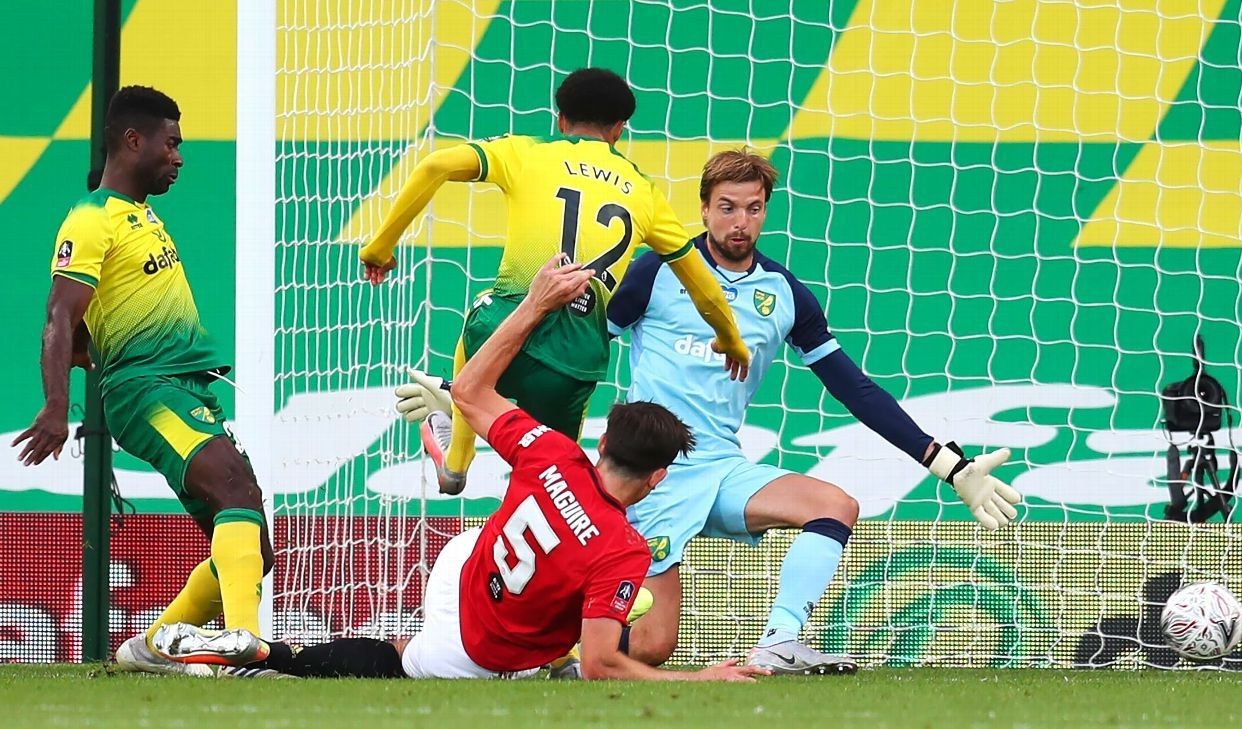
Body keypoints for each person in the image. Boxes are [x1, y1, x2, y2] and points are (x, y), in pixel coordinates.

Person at [157, 256, 768, 682]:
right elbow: (606, 663)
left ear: (603, 439)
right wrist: (700, 673)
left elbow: (472, 387)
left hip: (460, 566)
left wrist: (534, 302)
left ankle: (538, 654)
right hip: (478, 643)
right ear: (659, 478)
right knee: (400, 662)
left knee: (498, 591)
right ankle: (268, 654)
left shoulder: (553, 451)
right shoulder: (623, 551)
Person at [606, 150, 1023, 674]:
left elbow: (855, 389)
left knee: (834, 505)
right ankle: (553, 652)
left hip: (721, 466)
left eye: (753, 209)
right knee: (649, 647)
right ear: (705, 209)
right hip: (652, 473)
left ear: (766, 209)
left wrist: (947, 465)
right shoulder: (656, 272)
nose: (740, 223)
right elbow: (589, 348)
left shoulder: (784, 293)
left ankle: (778, 643)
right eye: (728, 208)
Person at [362, 67, 749, 496]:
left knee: (482, 311)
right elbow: (701, 283)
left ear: (561, 119)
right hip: (573, 360)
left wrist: (380, 248)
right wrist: (730, 338)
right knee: (552, 477)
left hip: (503, 332)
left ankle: (457, 459)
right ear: (620, 130)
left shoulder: (527, 152)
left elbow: (435, 165)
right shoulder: (644, 191)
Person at [13, 86, 272, 672]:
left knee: (252, 542)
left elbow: (82, 329)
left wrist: (86, 350)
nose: (179, 157)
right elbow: (60, 313)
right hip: (147, 390)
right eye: (172, 142)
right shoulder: (91, 217)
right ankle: (247, 651)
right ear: (134, 140)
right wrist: (58, 405)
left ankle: (149, 649)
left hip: (182, 387)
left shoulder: (141, 216)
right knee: (234, 489)